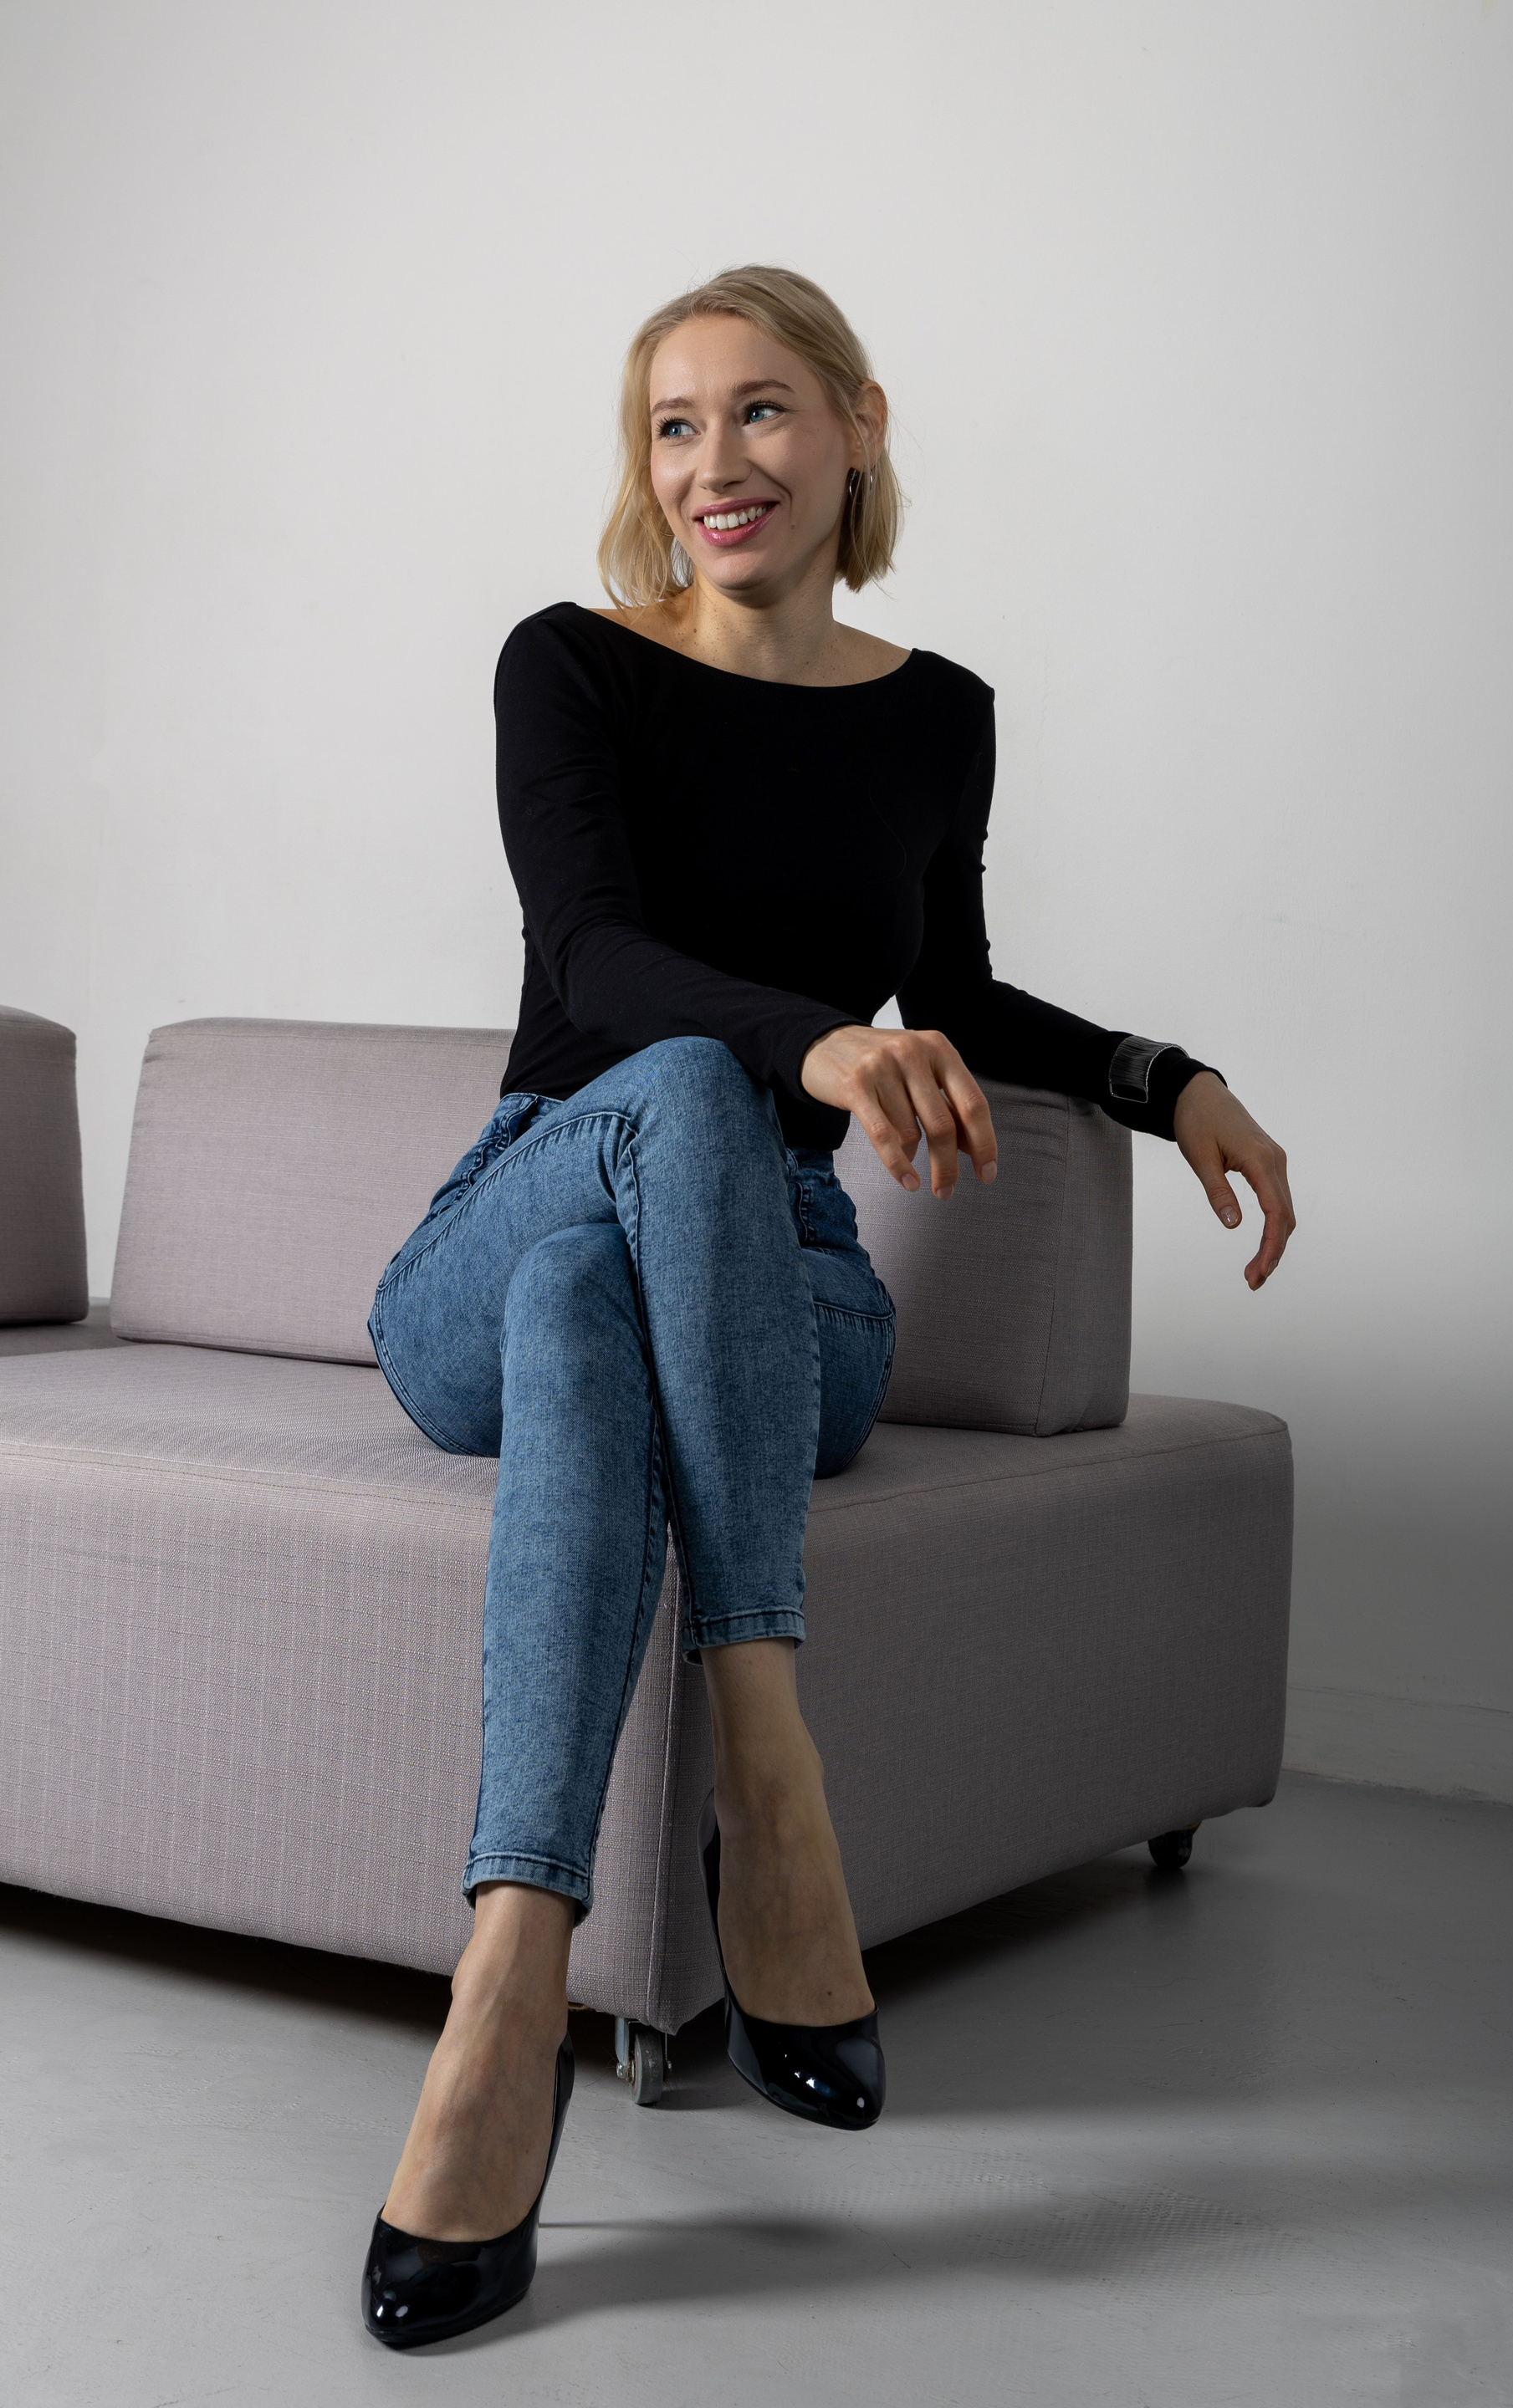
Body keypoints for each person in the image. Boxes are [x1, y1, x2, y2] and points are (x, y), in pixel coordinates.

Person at [360, 264, 1296, 2349]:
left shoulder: (938, 712)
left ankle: (507, 1984)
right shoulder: (571, 666)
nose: (718, 463)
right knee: (667, 1111)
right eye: (675, 425)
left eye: (763, 409)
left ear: (860, 424)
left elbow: (954, 992)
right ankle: (772, 1792)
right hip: (518, 1206)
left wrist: (1167, 1078)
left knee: (604, 1309)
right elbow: (594, 961)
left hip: (782, 1285)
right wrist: (807, 1041)